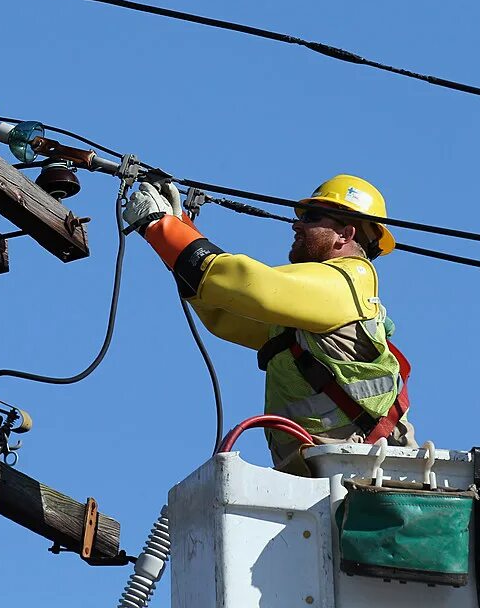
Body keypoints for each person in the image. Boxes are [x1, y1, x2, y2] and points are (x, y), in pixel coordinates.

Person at [123, 174, 415, 473]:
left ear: (346, 234)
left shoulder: (348, 281)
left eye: (312, 217)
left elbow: (247, 285)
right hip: (331, 469)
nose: (296, 224)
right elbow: (224, 314)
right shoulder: (311, 311)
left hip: (360, 468)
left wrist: (161, 225)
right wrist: (178, 228)